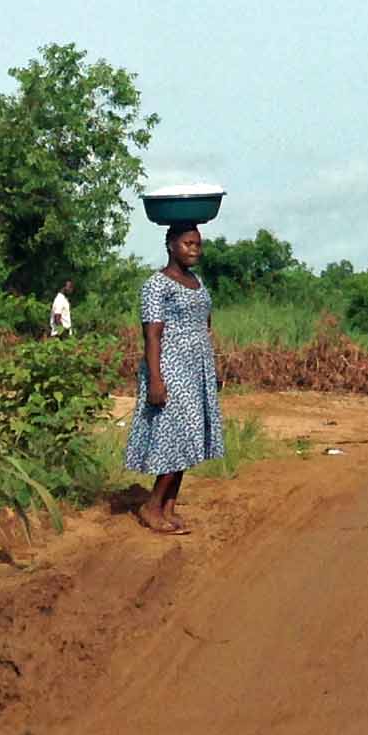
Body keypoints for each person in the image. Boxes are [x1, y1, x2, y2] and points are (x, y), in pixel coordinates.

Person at [123, 224, 222, 535]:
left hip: (197, 370)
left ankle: (169, 506)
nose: (194, 250)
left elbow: (205, 327)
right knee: (176, 434)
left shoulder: (197, 282)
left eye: (197, 244)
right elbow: (152, 334)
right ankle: (151, 506)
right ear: (170, 246)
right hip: (170, 368)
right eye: (187, 244)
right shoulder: (156, 285)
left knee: (192, 436)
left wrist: (212, 368)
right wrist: (155, 379)